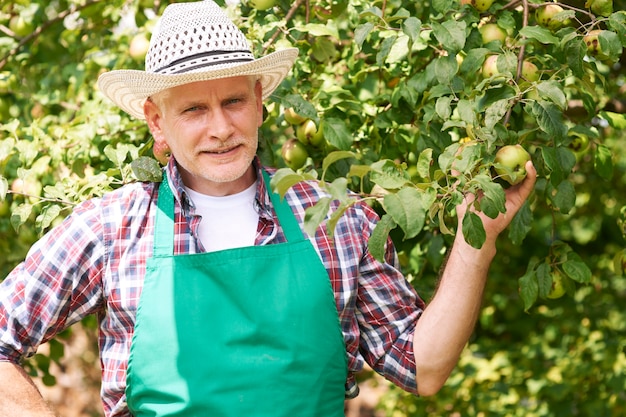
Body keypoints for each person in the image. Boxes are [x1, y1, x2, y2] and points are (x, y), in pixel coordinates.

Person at [0, 1, 537, 416]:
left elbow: (424, 366)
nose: (220, 127)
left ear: (260, 100)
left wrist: (477, 239)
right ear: (156, 121)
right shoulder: (112, 228)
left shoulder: (335, 218)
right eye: (193, 109)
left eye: (233, 101)